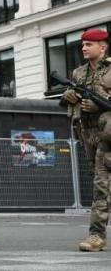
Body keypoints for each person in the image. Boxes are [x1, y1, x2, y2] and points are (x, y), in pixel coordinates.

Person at [62, 29, 111, 252]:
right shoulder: (78, 73)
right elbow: (68, 98)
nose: (83, 47)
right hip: (87, 133)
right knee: (100, 182)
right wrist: (69, 97)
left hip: (108, 134)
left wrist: (99, 105)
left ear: (103, 47)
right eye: (83, 44)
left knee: (101, 183)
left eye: (89, 44)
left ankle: (96, 235)